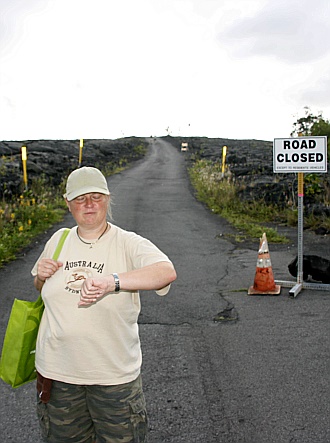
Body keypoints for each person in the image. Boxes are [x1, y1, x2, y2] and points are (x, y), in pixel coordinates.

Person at [32, 166, 177, 443]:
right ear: (68, 203)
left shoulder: (127, 243)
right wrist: (40, 277)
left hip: (113, 379)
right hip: (58, 376)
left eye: (96, 196)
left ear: (108, 198)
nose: (88, 204)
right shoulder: (58, 240)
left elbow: (165, 272)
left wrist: (112, 282)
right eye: (79, 198)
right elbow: (41, 290)